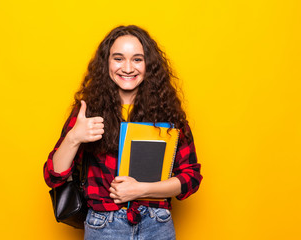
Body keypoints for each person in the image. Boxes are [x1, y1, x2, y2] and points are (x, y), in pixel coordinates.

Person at [43, 25, 202, 240]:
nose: (128, 68)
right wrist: (74, 137)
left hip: (157, 223)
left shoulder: (167, 112)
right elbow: (53, 176)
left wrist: (141, 190)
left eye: (137, 59)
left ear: (149, 65)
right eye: (118, 58)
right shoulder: (87, 112)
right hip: (103, 225)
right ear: (106, 63)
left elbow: (190, 177)